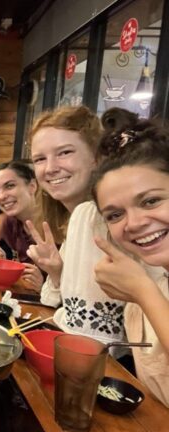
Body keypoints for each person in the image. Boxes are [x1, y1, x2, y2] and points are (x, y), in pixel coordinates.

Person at [26, 106, 127, 346]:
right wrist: (57, 272)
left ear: (96, 157)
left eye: (64, 152)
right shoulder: (75, 219)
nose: (50, 168)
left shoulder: (94, 215)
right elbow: (65, 304)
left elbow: (91, 338)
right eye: (40, 159)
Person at [92, 108, 168, 407]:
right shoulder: (153, 286)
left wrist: (141, 291)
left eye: (150, 201)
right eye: (115, 214)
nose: (133, 223)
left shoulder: (145, 290)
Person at [0, 160, 44, 290]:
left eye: (10, 186)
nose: (1, 196)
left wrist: (46, 286)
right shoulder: (10, 223)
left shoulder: (57, 224)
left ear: (32, 186)